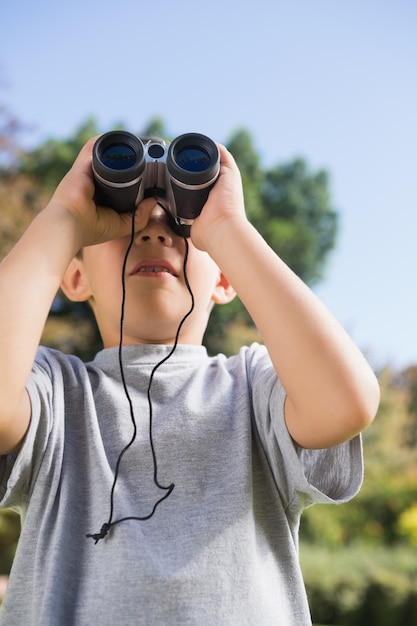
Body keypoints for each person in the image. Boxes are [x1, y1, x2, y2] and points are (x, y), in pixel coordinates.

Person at [0, 135, 379, 626]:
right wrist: (63, 218)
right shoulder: (53, 393)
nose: (154, 230)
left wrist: (226, 227)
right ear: (73, 278)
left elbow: (346, 404)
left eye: (182, 223)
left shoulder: (256, 388)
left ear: (226, 279)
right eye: (128, 218)